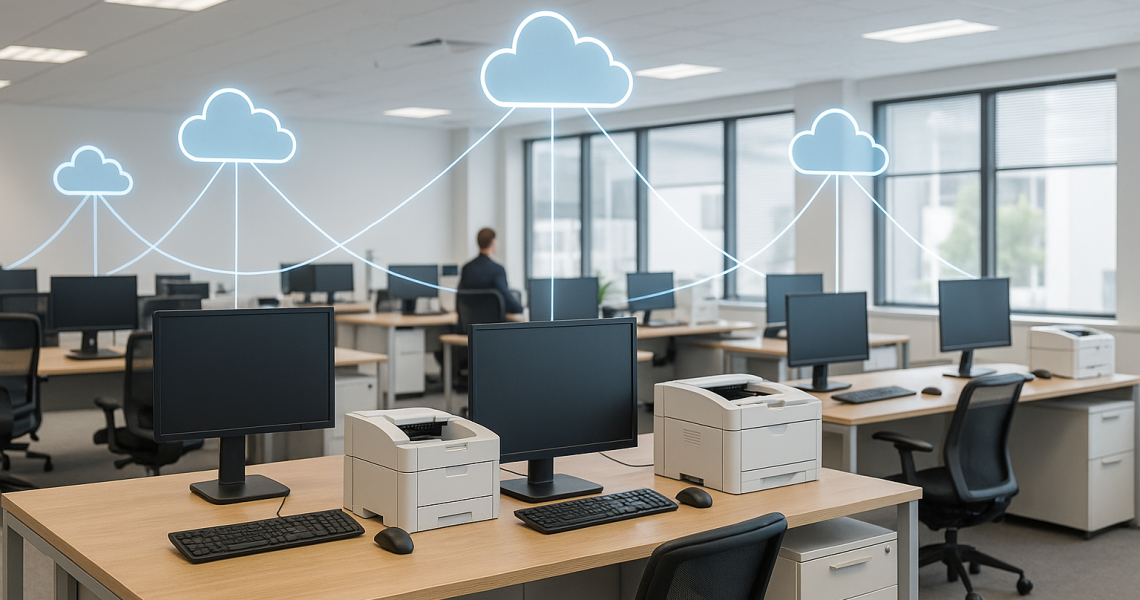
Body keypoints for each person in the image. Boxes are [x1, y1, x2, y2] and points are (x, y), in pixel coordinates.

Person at [459, 228, 524, 314]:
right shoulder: (497, 270)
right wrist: (520, 309)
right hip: (492, 325)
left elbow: (459, 296)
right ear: (493, 242)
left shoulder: (467, 268)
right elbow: (507, 298)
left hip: (469, 324)